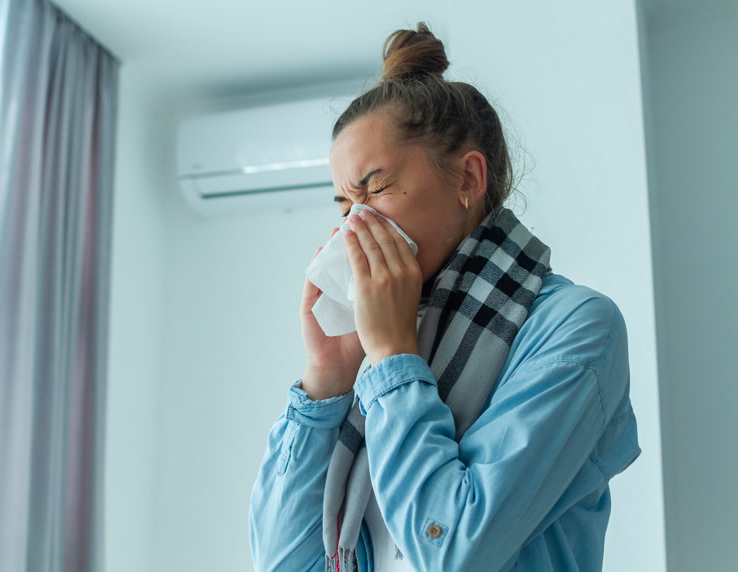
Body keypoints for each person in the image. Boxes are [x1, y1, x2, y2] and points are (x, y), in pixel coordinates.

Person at [249, 22, 641, 572]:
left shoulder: (575, 328)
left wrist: (392, 360)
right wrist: (327, 378)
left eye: (377, 188)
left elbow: (453, 550)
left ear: (468, 178)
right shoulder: (380, 356)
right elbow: (286, 564)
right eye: (344, 207)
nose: (356, 225)